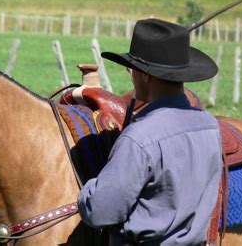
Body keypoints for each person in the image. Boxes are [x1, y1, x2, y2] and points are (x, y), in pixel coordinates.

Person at [77, 18, 223, 245]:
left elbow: (100, 212)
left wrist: (89, 188)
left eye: (132, 69)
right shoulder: (210, 126)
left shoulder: (138, 139)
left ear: (146, 75)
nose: (131, 75)